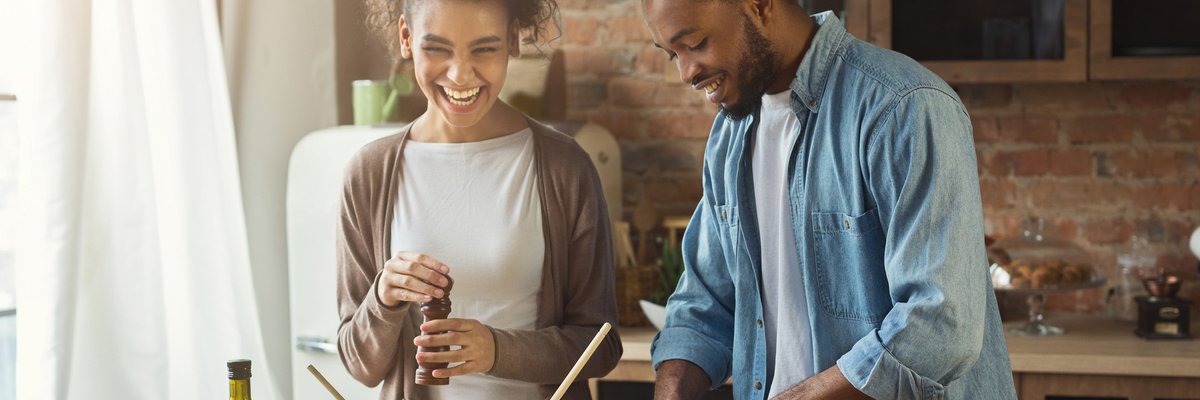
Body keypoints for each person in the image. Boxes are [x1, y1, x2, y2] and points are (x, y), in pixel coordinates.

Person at [640, 0, 1017, 399]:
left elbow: (940, 325)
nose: (686, 73)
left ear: (759, 5)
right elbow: (706, 302)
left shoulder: (904, 106)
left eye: (696, 43)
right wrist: (675, 387)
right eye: (671, 54)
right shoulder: (728, 138)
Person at [335, 0, 621, 398]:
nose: (459, 74)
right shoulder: (369, 174)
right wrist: (383, 299)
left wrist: (496, 350)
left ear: (512, 41)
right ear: (406, 38)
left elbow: (602, 345)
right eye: (437, 48)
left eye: (484, 48)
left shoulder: (565, 168)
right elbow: (358, 364)